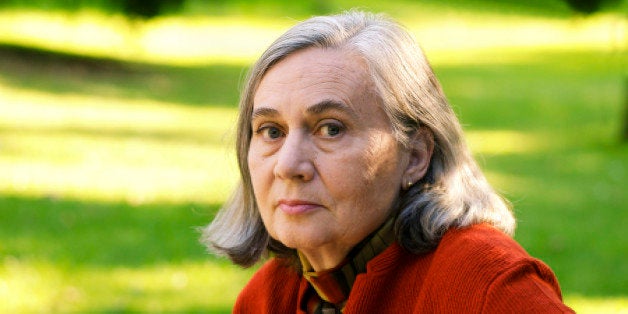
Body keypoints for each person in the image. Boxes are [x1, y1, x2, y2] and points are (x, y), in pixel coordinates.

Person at [201, 10, 574, 313]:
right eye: (271, 131)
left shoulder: (486, 285)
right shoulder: (267, 297)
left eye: (330, 129)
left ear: (415, 155)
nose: (288, 165)